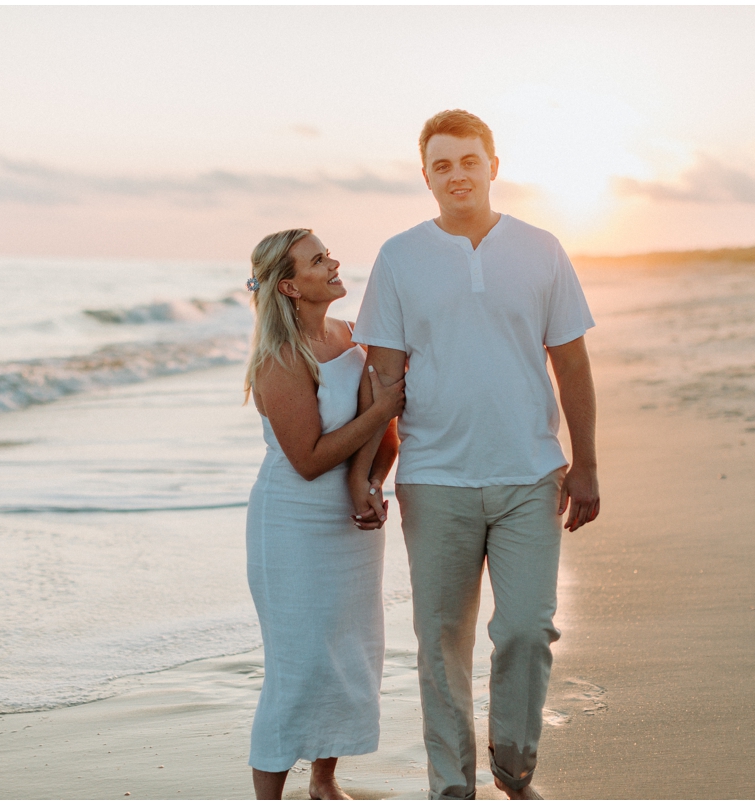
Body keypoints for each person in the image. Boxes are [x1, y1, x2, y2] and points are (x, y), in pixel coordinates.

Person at [349, 109, 600, 800]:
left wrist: (587, 462)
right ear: (425, 175)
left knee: (526, 629)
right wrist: (369, 473)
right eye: (441, 164)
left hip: (530, 472)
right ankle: (450, 789)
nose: (456, 174)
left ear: (493, 165)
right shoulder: (400, 257)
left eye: (468, 160)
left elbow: (572, 365)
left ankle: (515, 767)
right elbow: (383, 380)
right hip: (434, 479)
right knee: (441, 645)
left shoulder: (542, 248)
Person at [243, 228, 405, 800]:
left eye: (328, 252)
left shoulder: (350, 335)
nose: (333, 262)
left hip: (351, 524)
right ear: (289, 286)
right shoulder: (281, 359)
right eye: (317, 260)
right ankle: (269, 796)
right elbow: (309, 459)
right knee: (300, 664)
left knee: (349, 651)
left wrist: (372, 483)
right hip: (294, 523)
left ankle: (325, 783)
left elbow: (382, 433)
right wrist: (385, 404)